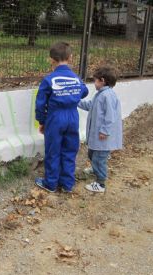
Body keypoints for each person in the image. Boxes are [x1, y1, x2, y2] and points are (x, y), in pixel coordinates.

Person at [35, 42, 89, 193]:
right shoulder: (76, 78)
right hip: (72, 117)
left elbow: (40, 104)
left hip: (55, 118)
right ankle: (67, 184)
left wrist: (42, 121)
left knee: (53, 150)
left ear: (51, 60)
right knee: (70, 150)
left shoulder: (49, 80)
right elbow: (84, 91)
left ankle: (50, 184)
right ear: (70, 58)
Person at [78, 65, 122, 193]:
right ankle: (95, 169)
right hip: (97, 135)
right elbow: (90, 105)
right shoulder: (100, 94)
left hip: (103, 136)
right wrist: (75, 101)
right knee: (92, 154)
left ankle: (100, 183)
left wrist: (104, 131)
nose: (94, 83)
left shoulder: (107, 96)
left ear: (102, 80)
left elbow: (110, 116)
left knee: (99, 158)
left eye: (95, 80)